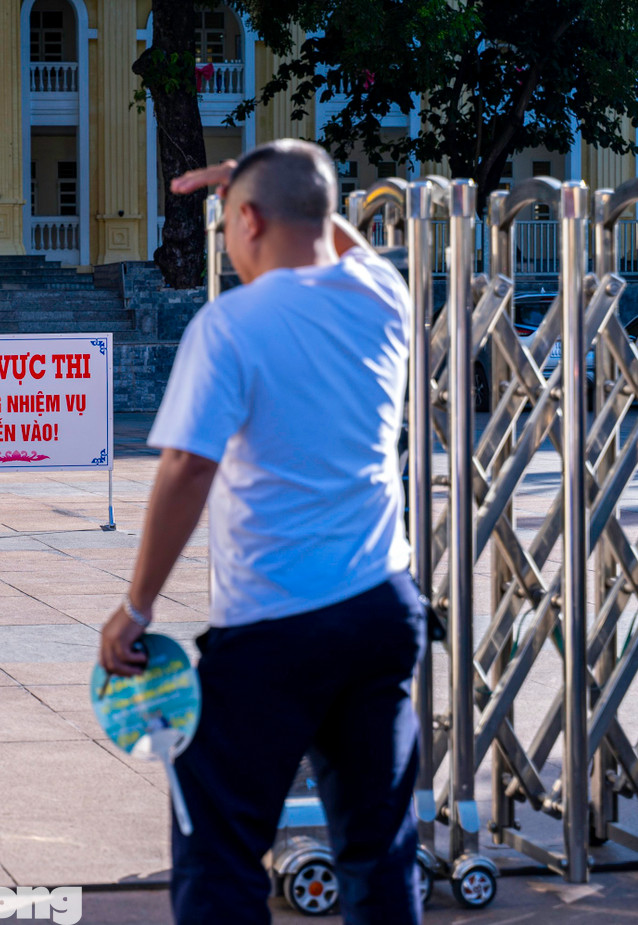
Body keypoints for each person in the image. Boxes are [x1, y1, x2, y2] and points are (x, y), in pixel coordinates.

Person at [99, 140, 424, 925]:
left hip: (278, 624)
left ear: (246, 220)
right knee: (379, 850)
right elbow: (326, 228)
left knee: (218, 842)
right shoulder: (385, 296)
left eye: (226, 228)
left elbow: (186, 469)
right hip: (384, 609)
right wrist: (270, 181)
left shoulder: (231, 325)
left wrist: (136, 608)